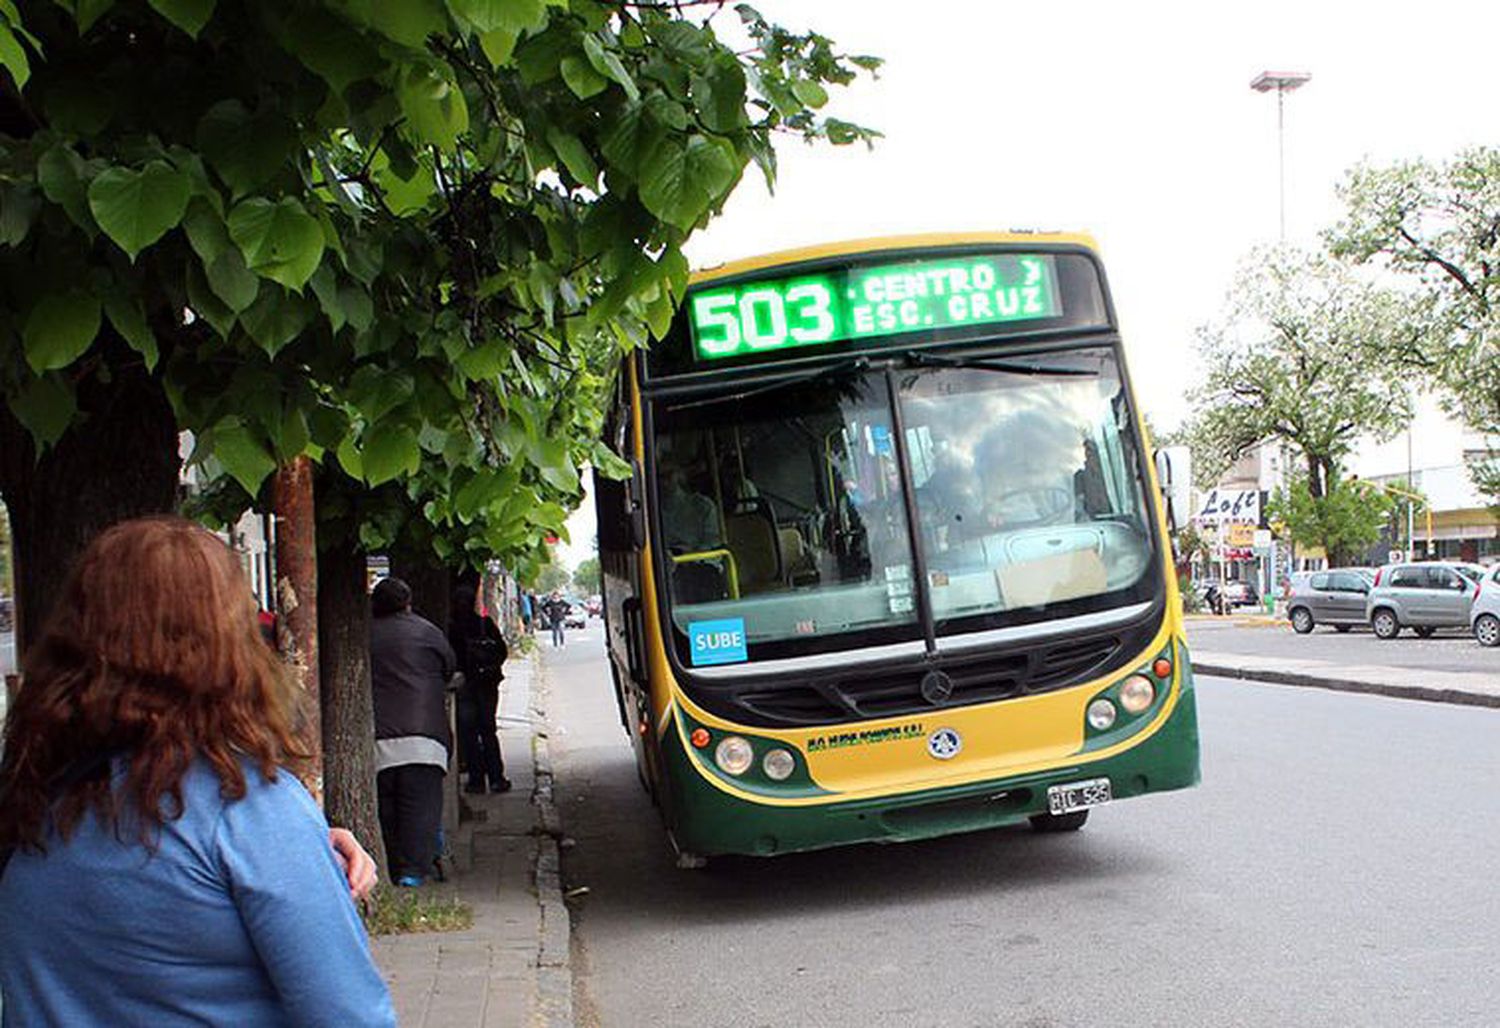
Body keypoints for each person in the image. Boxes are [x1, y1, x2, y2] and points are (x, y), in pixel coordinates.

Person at [0, 515, 394, 1027]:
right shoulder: (245, 811)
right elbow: (350, 1016)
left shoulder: (32, 801)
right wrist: (288, 850)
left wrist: (299, 852)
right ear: (229, 644)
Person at [369, 576, 455, 888]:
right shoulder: (427, 632)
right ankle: (414, 871)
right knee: (420, 809)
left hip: (378, 739)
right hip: (425, 738)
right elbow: (449, 666)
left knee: (388, 809)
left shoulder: (365, 633)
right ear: (408, 602)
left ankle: (393, 865)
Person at [449, 578, 511, 795]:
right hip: (487, 685)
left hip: (465, 685)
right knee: (488, 731)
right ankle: (496, 778)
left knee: (469, 734)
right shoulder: (484, 624)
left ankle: (476, 781)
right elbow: (502, 651)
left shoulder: (452, 629)